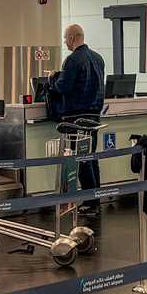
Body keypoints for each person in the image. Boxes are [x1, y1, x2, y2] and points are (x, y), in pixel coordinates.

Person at [52, 24, 106, 201]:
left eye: (65, 38)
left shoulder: (72, 60)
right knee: (91, 157)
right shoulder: (98, 58)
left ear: (72, 38)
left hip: (76, 117)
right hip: (94, 116)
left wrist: (53, 78)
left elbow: (64, 87)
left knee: (82, 161)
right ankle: (95, 197)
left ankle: (90, 202)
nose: (65, 42)